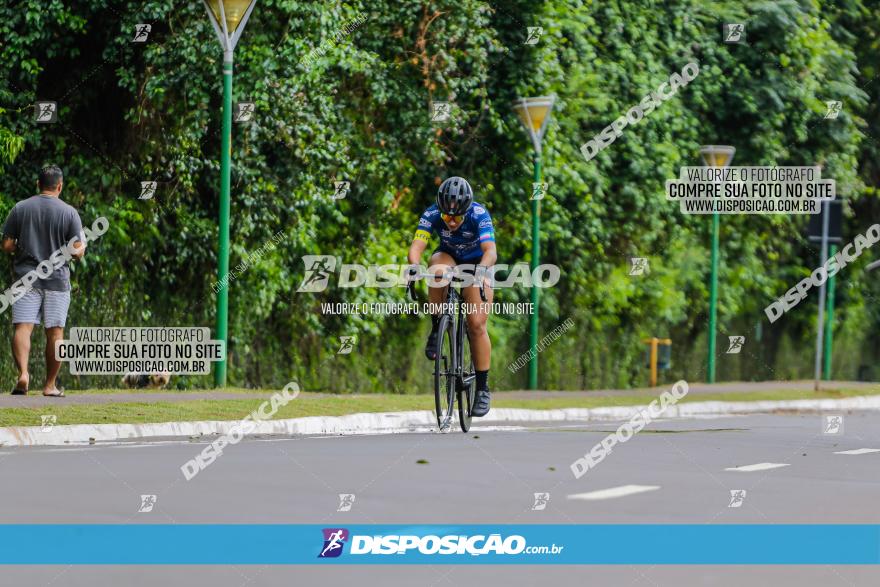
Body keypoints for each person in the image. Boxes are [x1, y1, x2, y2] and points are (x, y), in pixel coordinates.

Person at [407, 176, 497, 416]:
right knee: (436, 270)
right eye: (447, 217)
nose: (452, 222)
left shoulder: (479, 214)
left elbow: (491, 251)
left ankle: (482, 388)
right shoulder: (432, 213)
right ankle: (437, 327)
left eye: (457, 217)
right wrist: (414, 265)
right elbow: (417, 245)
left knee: (476, 324)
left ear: (467, 210)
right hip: (448, 257)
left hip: (478, 263)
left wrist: (481, 270)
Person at [1, 165, 85, 397]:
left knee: (23, 327)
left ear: (38, 184)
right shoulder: (70, 213)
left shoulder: (20, 208)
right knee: (56, 334)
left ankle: (24, 374)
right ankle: (49, 385)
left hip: (26, 278)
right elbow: (78, 251)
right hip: (57, 281)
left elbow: (7, 245)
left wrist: (22, 247)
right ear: (59, 186)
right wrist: (76, 251)